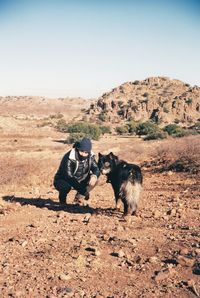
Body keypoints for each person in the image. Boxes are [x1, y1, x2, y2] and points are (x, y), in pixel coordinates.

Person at [54, 137, 100, 206]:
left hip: (79, 179)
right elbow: (69, 177)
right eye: (81, 151)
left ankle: (78, 199)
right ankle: (62, 202)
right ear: (77, 149)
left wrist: (94, 176)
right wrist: (84, 192)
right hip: (63, 180)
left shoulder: (90, 157)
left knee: (95, 180)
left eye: (86, 152)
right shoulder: (68, 157)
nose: (83, 154)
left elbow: (96, 168)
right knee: (65, 186)